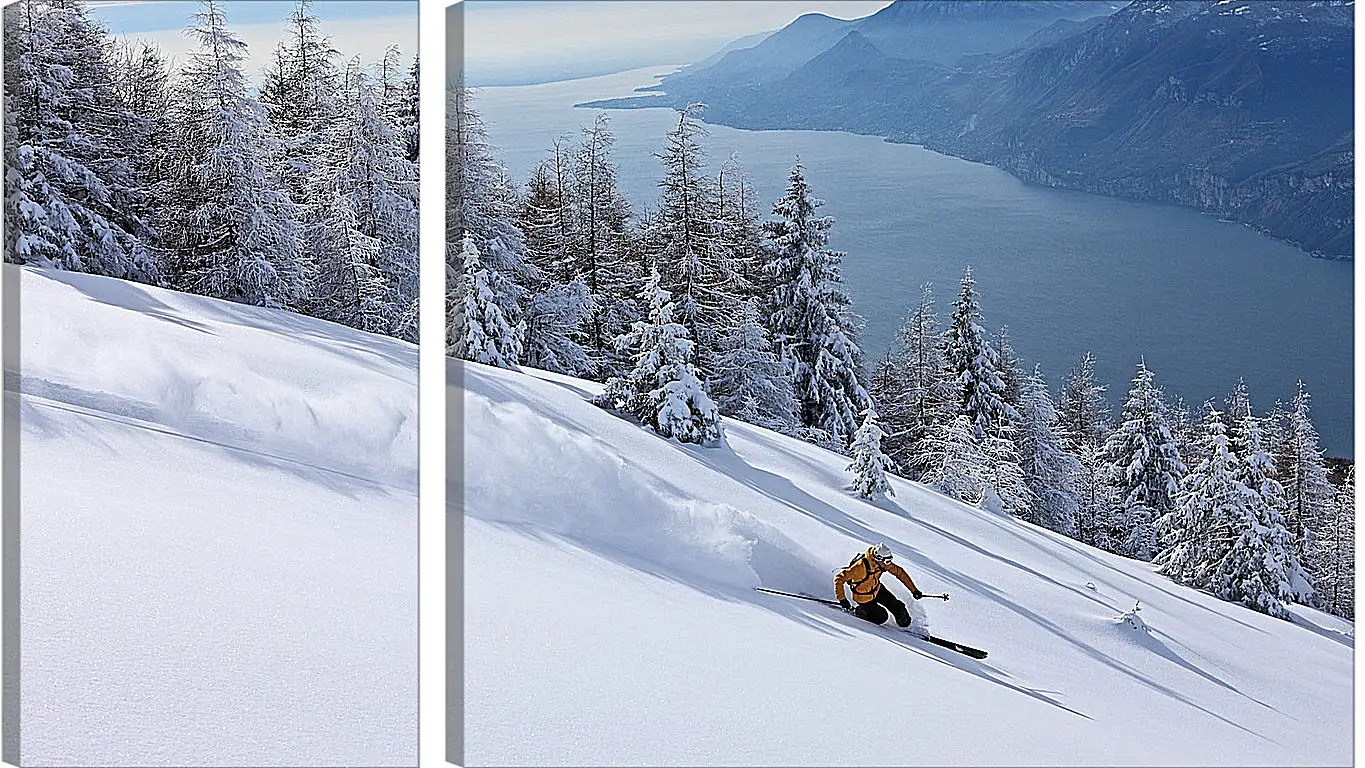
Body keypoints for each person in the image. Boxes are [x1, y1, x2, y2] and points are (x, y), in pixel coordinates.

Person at [834, 542, 923, 627]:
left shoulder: (882, 563)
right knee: (881, 617)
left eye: (889, 561)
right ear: (878, 558)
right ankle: (858, 611)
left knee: (899, 609)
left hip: (877, 589)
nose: (888, 564)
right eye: (887, 561)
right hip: (863, 597)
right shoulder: (860, 567)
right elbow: (839, 578)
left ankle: (905, 625)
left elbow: (899, 573)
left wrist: (914, 590)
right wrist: (842, 599)